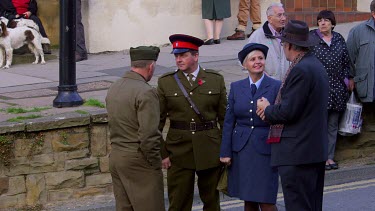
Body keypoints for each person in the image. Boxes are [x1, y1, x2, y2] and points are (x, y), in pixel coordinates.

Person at [256, 20, 329, 211]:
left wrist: (266, 108)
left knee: (299, 206)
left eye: (283, 44)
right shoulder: (314, 64)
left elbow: (288, 111)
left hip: (298, 154)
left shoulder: (301, 70)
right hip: (311, 151)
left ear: (289, 45)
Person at [157, 34, 227, 211]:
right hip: (178, 150)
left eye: (183, 55)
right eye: (176, 55)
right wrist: (163, 153)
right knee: (178, 202)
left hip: (210, 148)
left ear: (196, 56)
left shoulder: (215, 79)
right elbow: (157, 122)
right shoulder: (166, 82)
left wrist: (226, 150)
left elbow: (224, 119)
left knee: (212, 202)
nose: (178, 59)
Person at [220, 43, 280, 211]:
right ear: (245, 64)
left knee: (266, 200)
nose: (257, 62)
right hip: (243, 150)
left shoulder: (276, 86)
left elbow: (282, 117)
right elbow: (229, 121)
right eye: (252, 59)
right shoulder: (236, 87)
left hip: (266, 149)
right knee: (249, 199)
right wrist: (225, 152)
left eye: (260, 58)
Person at [106, 46, 165, 211]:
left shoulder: (115, 87)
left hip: (117, 156)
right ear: (151, 66)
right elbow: (149, 134)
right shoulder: (146, 92)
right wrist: (154, 162)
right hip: (138, 159)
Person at [310, 10, 351, 171]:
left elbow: (346, 61)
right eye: (320, 20)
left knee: (332, 126)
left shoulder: (339, 38)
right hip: (318, 91)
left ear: (333, 23)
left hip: (337, 91)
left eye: (326, 20)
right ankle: (318, 158)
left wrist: (348, 79)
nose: (323, 23)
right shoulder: (311, 38)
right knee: (318, 126)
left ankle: (329, 157)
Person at [347, 0, 375, 115]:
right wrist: (350, 77)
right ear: (373, 13)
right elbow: (348, 58)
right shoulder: (357, 32)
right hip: (366, 90)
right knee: (368, 129)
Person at [248, 2, 288, 81]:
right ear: (270, 19)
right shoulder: (257, 36)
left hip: (287, 85)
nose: (283, 18)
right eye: (279, 15)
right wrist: (261, 76)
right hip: (267, 84)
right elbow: (245, 61)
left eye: (284, 15)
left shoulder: (289, 34)